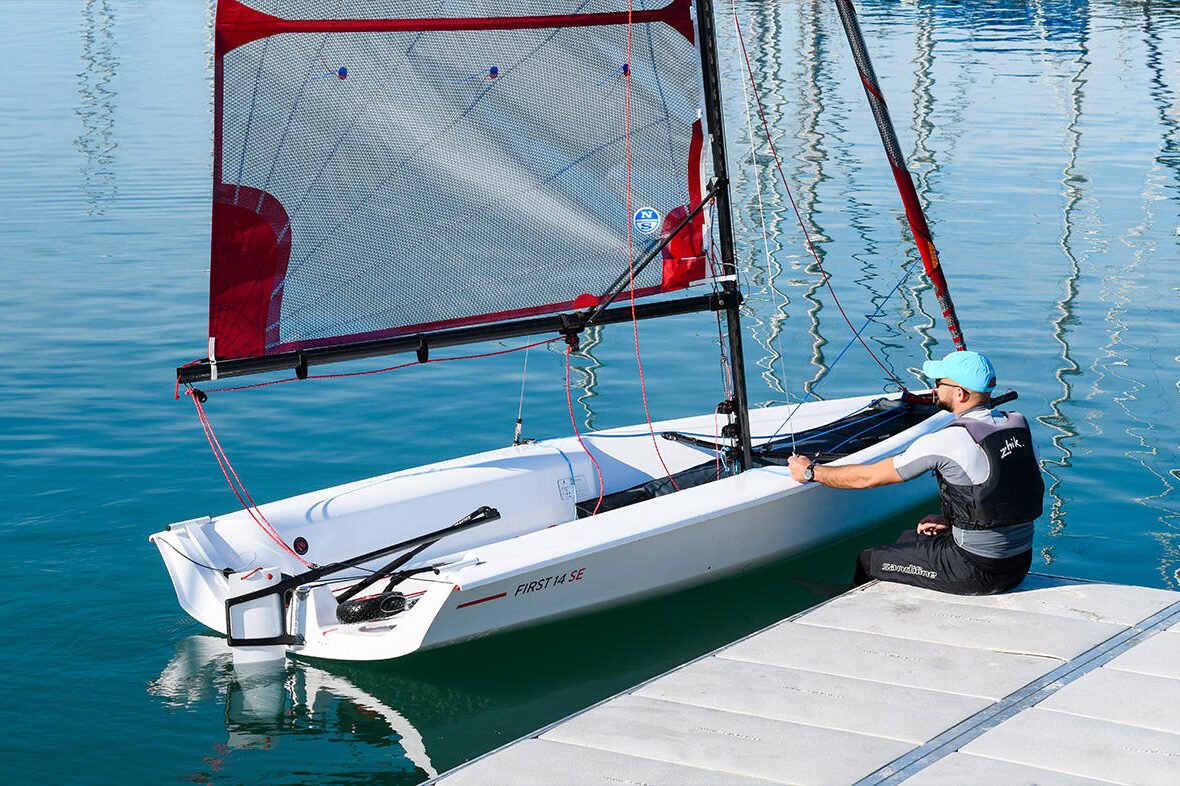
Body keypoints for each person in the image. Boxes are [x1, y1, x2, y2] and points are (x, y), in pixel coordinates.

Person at [787, 350, 1044, 595]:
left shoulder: (950, 439)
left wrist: (809, 472)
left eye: (939, 382)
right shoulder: (1019, 426)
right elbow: (1006, 490)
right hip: (1019, 563)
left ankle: (845, 607)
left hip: (975, 571)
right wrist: (952, 521)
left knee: (870, 560)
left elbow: (869, 477)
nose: (934, 388)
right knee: (909, 538)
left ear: (960, 393)